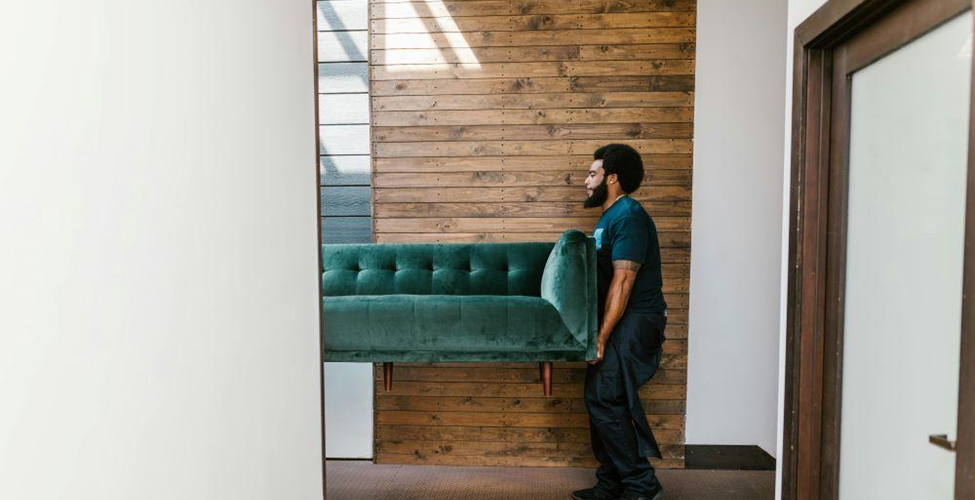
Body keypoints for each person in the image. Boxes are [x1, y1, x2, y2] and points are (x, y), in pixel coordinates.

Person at [571, 144, 668, 500]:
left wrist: (601, 336)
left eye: (593, 174)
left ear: (612, 178)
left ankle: (642, 486)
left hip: (636, 320)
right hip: (620, 321)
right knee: (601, 397)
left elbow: (623, 281)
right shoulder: (609, 217)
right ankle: (610, 483)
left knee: (605, 397)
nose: (587, 181)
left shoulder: (628, 215)